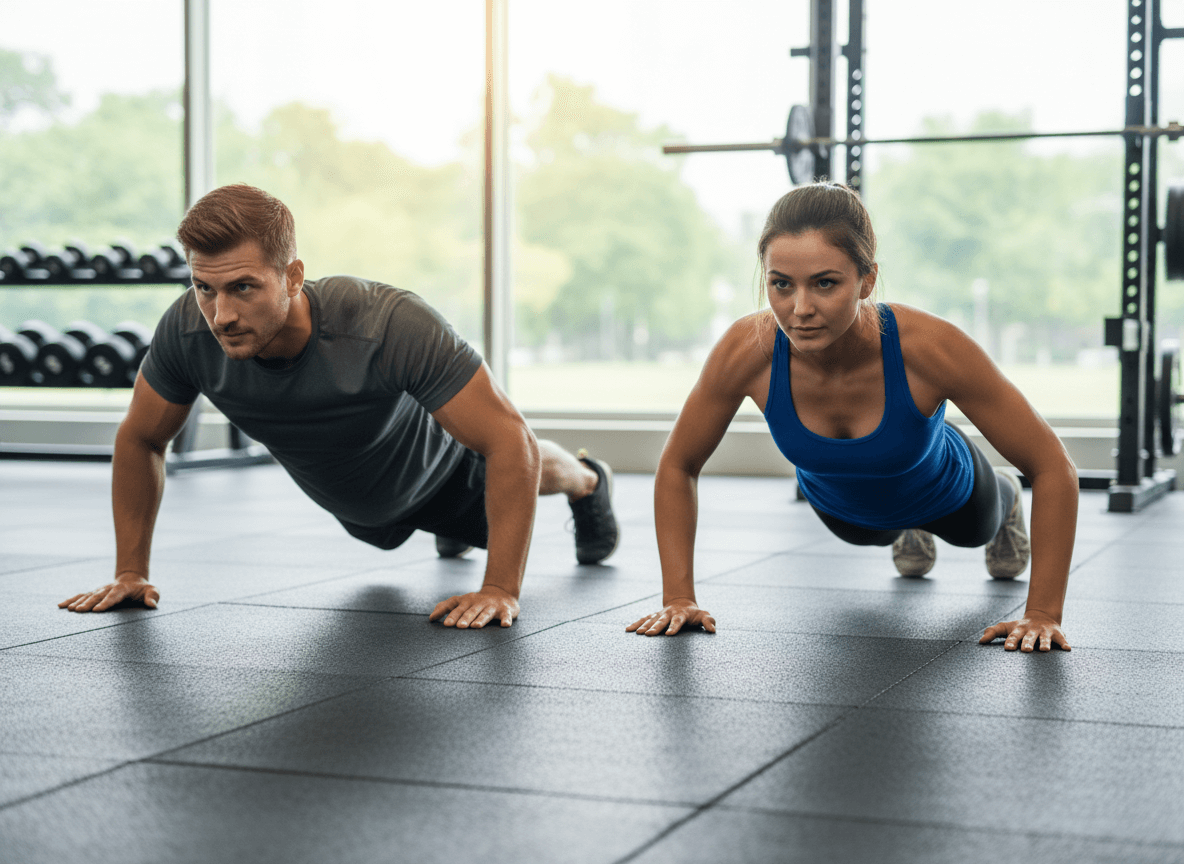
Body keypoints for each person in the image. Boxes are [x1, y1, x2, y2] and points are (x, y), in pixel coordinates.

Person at [59, 184, 619, 629]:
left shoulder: (386, 323)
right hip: (364, 506)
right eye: (205, 288)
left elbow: (507, 440)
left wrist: (499, 588)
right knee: (388, 523)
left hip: (443, 470)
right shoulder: (187, 332)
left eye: (244, 288)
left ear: (294, 276)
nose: (220, 314)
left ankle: (589, 480)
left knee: (509, 467)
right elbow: (141, 438)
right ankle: (445, 527)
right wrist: (130, 571)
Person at [627, 183, 1077, 653]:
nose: (799, 309)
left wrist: (1043, 613)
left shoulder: (930, 348)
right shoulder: (749, 349)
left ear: (866, 280)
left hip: (949, 494)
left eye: (825, 283)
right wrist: (678, 598)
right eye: (781, 284)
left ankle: (1001, 498)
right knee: (872, 534)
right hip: (850, 516)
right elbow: (679, 464)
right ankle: (907, 531)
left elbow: (1052, 465)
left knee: (973, 533)